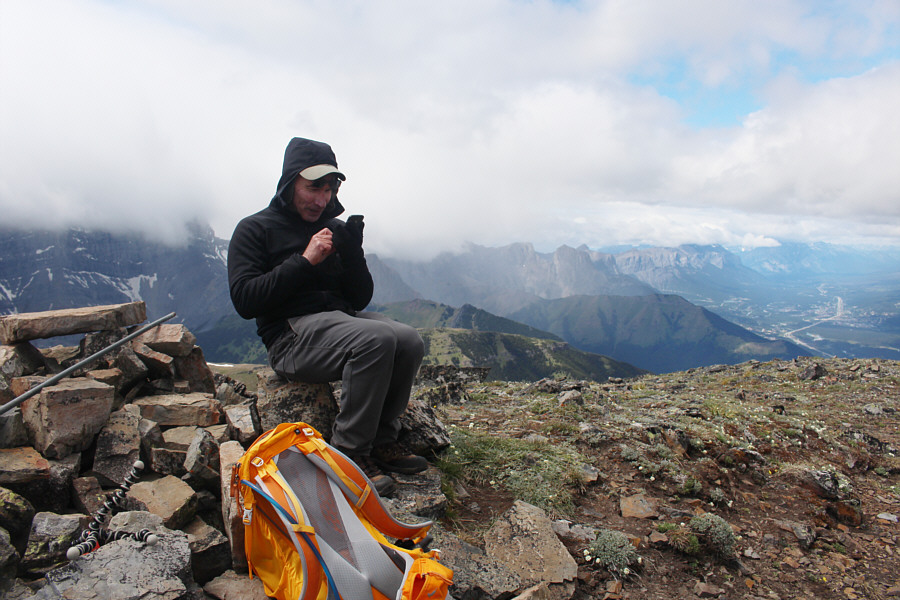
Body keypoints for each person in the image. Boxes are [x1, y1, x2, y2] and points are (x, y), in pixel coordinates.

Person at [227, 136, 427, 496]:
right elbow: (245, 301)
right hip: (290, 337)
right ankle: (348, 454)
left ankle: (381, 439)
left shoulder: (332, 228)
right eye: (313, 187)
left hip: (337, 322)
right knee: (376, 339)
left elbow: (359, 298)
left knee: (409, 340)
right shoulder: (254, 229)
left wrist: (353, 254)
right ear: (291, 182)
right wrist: (304, 261)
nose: (321, 199)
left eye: (329, 189)